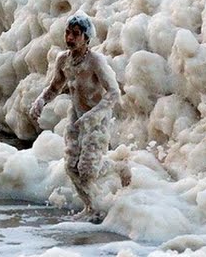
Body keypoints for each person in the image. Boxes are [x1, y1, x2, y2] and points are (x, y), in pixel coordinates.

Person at [30, 13, 131, 223]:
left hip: (97, 121)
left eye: (76, 34)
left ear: (86, 38)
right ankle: (91, 207)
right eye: (68, 32)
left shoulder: (96, 61)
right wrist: (40, 101)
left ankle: (118, 167)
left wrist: (94, 115)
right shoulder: (63, 60)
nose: (70, 38)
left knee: (87, 170)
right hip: (76, 119)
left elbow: (114, 93)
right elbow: (55, 87)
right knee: (71, 167)